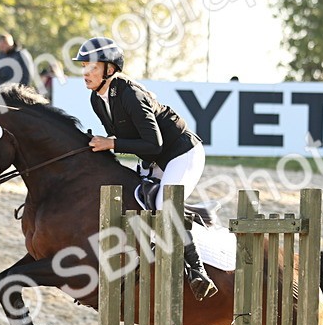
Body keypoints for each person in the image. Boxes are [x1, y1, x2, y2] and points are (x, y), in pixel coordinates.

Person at [75, 36, 218, 300]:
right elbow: (130, 144)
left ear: (110, 68)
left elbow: (153, 143)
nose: (85, 72)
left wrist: (111, 143)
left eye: (92, 66)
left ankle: (198, 272)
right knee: (136, 197)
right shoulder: (97, 99)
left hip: (182, 153)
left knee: (165, 202)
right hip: (155, 158)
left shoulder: (131, 93)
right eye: (83, 66)